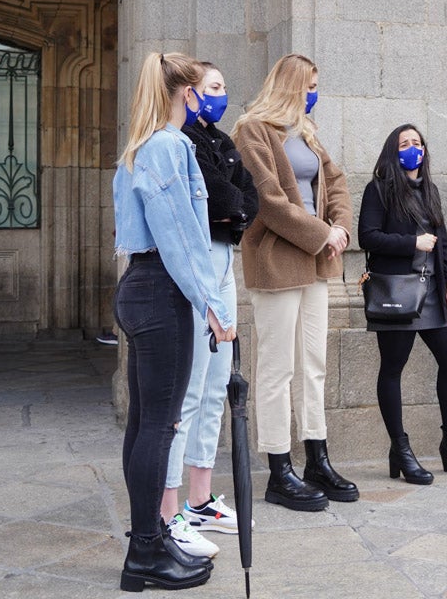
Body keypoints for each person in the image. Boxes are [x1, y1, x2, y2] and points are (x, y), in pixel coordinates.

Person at [112, 52, 236, 592]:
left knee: (147, 424)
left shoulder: (139, 149)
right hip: (161, 291)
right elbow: (182, 235)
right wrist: (213, 303)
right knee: (159, 426)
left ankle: (151, 539)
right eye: (197, 93)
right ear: (186, 94)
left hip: (144, 287)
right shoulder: (169, 145)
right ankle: (145, 550)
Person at [232, 53, 356, 512]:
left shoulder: (306, 130)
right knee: (277, 367)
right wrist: (323, 234)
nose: (313, 94)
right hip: (277, 259)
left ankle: (316, 457)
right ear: (291, 84)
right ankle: (279, 469)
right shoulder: (251, 130)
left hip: (318, 261)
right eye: (310, 85)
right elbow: (266, 199)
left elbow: (336, 181)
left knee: (313, 363)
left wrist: (339, 226)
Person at [159, 62, 259, 557]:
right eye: (215, 88)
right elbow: (219, 195)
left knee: (218, 383)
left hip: (225, 258)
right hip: (198, 258)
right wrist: (229, 201)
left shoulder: (219, 140)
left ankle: (200, 499)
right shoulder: (179, 142)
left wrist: (231, 204)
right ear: (191, 93)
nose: (223, 96)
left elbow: (249, 199)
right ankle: (169, 510)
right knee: (191, 390)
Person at [358, 124, 447, 484]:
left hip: (432, 291)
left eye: (417, 143)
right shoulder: (379, 190)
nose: (412, 148)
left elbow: (443, 243)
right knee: (393, 366)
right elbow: (367, 237)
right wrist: (411, 243)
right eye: (404, 143)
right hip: (398, 293)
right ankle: (400, 449)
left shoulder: (429, 190)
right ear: (392, 150)